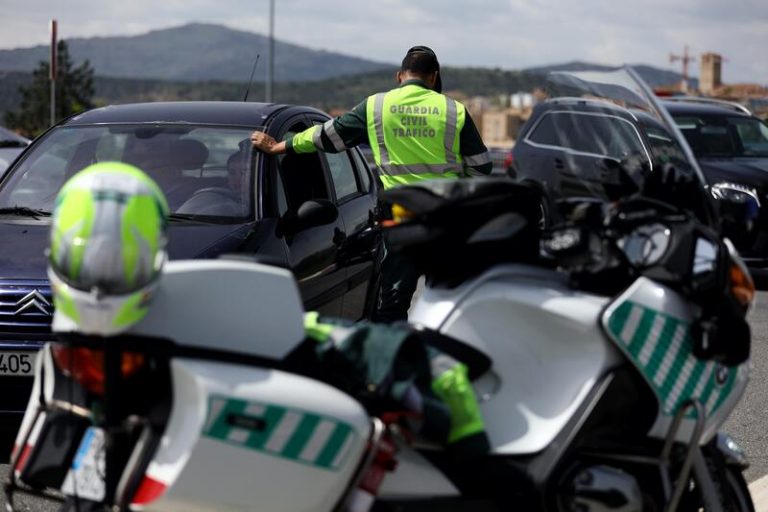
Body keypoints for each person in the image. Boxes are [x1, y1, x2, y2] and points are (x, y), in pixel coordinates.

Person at [251, 46, 492, 323]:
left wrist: (282, 145)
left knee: (393, 301)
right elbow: (481, 167)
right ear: (434, 77)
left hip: (402, 219)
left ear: (400, 76)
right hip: (445, 219)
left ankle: (391, 357)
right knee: (447, 301)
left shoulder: (376, 106)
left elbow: (328, 136)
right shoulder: (454, 110)